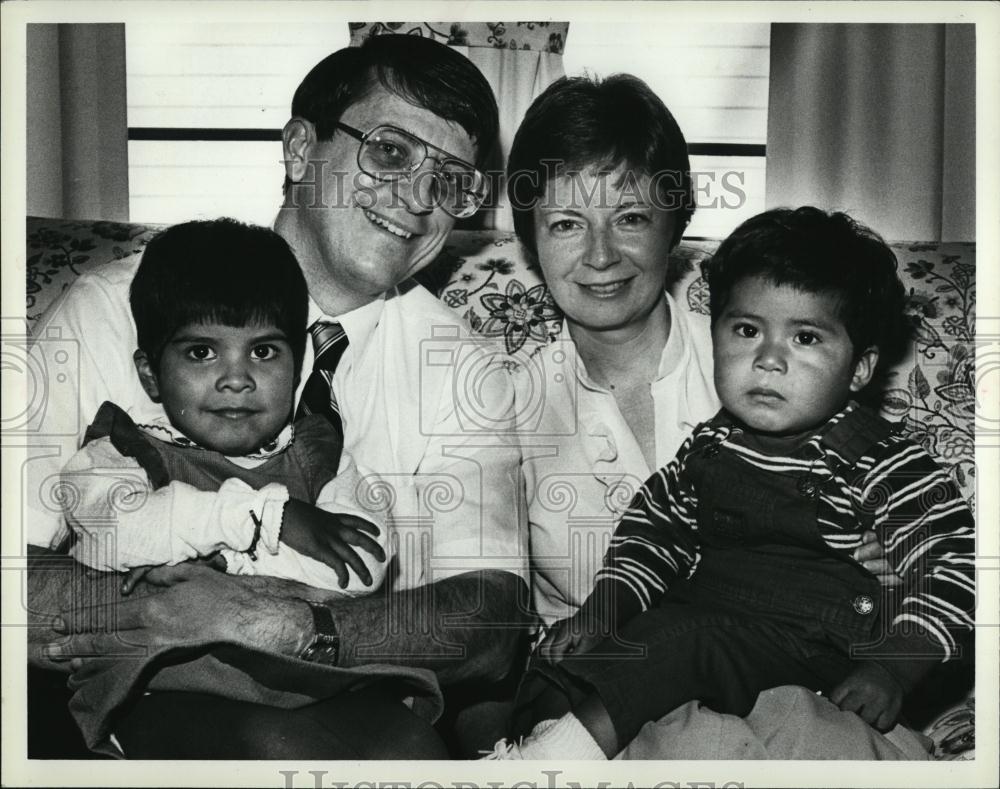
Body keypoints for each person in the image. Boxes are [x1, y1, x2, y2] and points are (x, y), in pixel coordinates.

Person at [27, 34, 528, 759]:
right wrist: (165, 611)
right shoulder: (114, 307)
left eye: (452, 181)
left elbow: (493, 618)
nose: (420, 200)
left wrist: (287, 627)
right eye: (390, 152)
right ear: (299, 149)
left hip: (352, 711)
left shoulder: (464, 370)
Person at [502, 75, 928, 759]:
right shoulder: (506, 410)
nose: (602, 254)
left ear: (677, 221)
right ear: (530, 240)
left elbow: (918, 529)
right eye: (566, 224)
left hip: (809, 689)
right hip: (617, 710)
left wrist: (887, 563)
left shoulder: (771, 354)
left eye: (631, 217)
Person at [64, 218, 387, 594]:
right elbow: (117, 533)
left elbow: (363, 569)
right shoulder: (120, 452)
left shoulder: (323, 457)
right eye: (201, 352)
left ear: (297, 370)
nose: (236, 379)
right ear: (151, 374)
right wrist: (266, 519)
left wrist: (225, 562)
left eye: (263, 352)